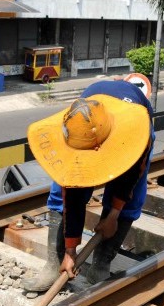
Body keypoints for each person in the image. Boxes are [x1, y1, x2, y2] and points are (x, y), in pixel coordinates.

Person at [23, 79, 155, 291]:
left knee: (131, 198)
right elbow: (72, 194)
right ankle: (54, 263)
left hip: (127, 124)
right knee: (61, 190)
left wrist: (113, 215)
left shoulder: (137, 131)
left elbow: (131, 176)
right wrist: (70, 251)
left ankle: (100, 266)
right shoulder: (76, 124)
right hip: (91, 122)